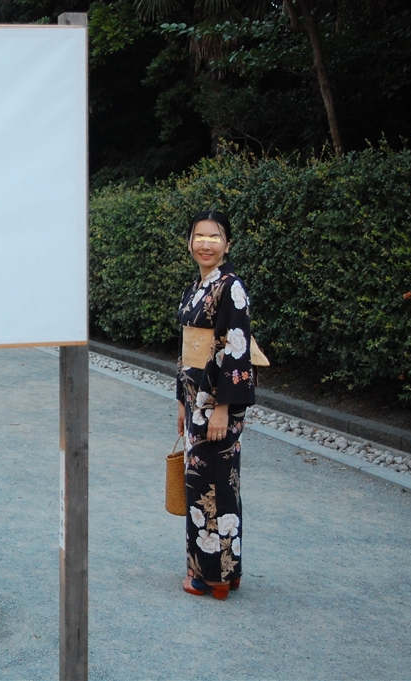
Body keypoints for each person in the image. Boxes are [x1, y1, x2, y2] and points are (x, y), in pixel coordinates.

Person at [175, 209, 255, 601]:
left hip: (218, 399)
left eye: (215, 237)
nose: (206, 244)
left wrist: (223, 406)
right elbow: (186, 348)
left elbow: (235, 346)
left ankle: (214, 576)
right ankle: (225, 568)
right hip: (197, 398)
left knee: (216, 482)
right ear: (190, 242)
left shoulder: (231, 286)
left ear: (228, 244)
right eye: (199, 236)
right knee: (203, 480)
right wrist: (181, 400)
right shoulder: (196, 286)